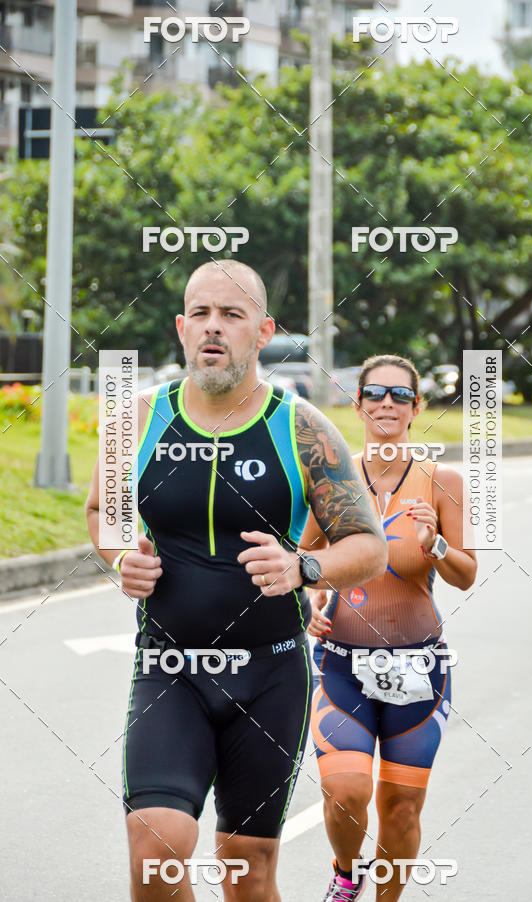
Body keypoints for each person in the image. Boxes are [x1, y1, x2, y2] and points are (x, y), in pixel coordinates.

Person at [85, 261, 388, 902]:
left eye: (232, 315)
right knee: (156, 852)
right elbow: (102, 514)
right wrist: (119, 559)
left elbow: (368, 546)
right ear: (181, 327)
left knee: (246, 873)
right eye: (200, 314)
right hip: (171, 669)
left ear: (263, 331)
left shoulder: (303, 427)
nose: (213, 329)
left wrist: (302, 567)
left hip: (271, 674)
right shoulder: (135, 420)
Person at [302, 354, 477, 902]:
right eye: (375, 393)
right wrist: (310, 598)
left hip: (420, 669)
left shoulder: (441, 480)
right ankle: (346, 873)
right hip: (342, 666)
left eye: (400, 396)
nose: (387, 404)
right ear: (358, 404)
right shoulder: (334, 480)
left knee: (400, 808)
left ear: (415, 409)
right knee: (345, 790)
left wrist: (436, 546)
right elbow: (302, 558)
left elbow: (466, 574)